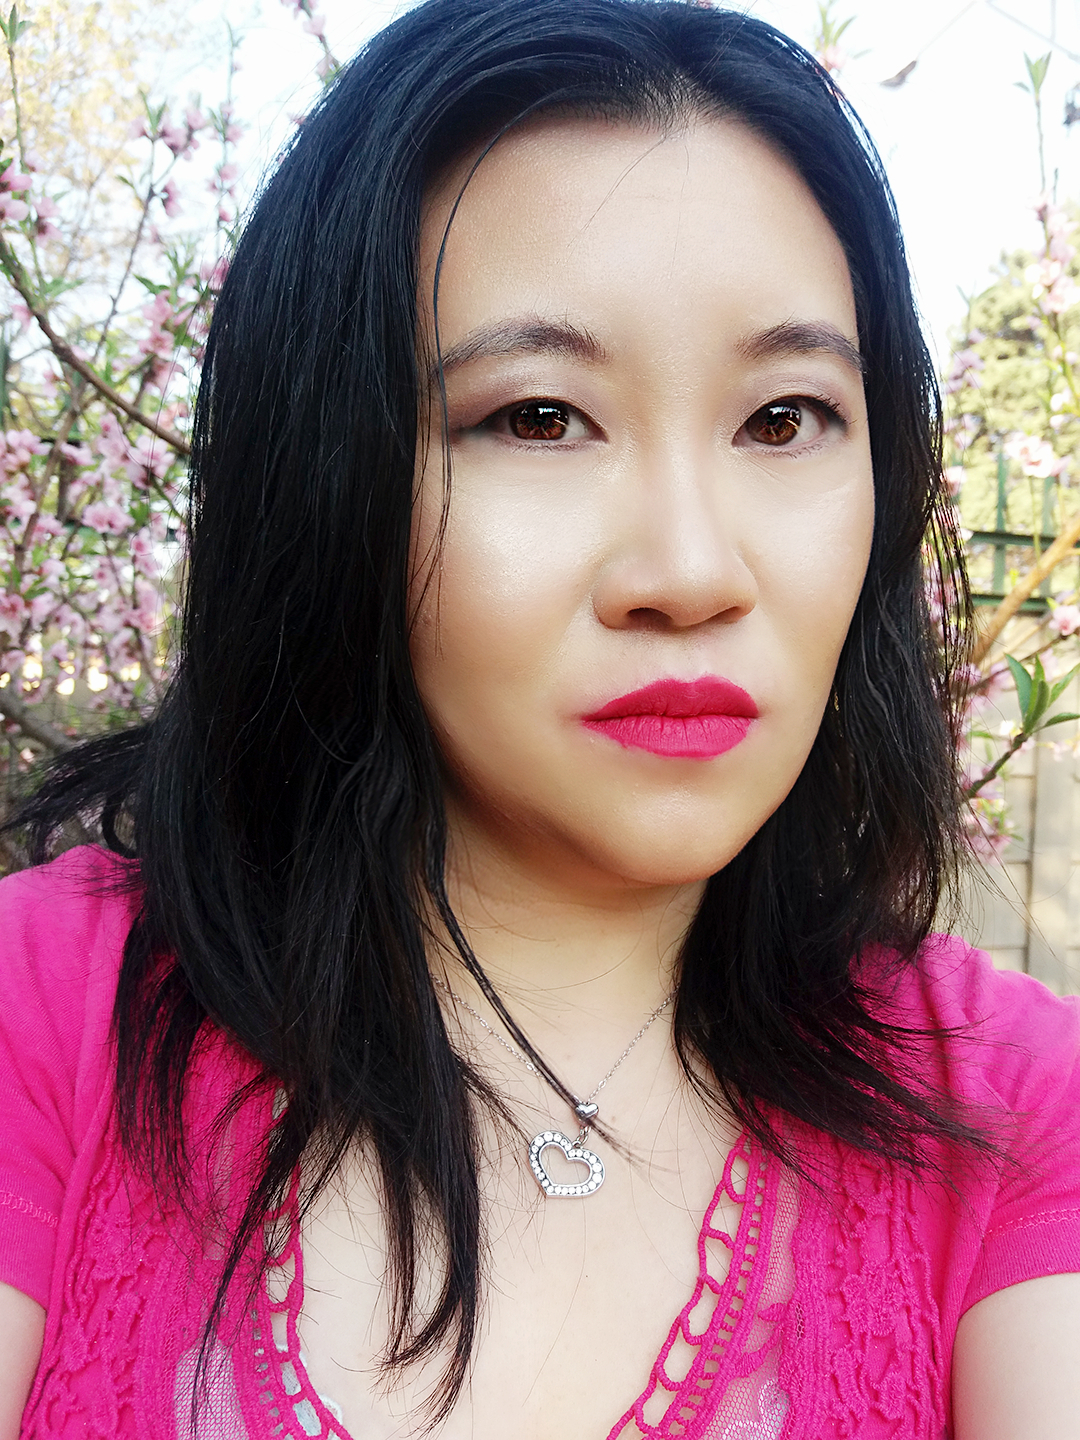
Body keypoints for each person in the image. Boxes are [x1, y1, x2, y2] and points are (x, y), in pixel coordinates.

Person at [1, 0, 1079, 1435]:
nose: (689, 572)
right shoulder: (44, 1014)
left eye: (783, 419)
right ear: (328, 474)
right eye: (538, 419)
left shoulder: (1010, 1111)